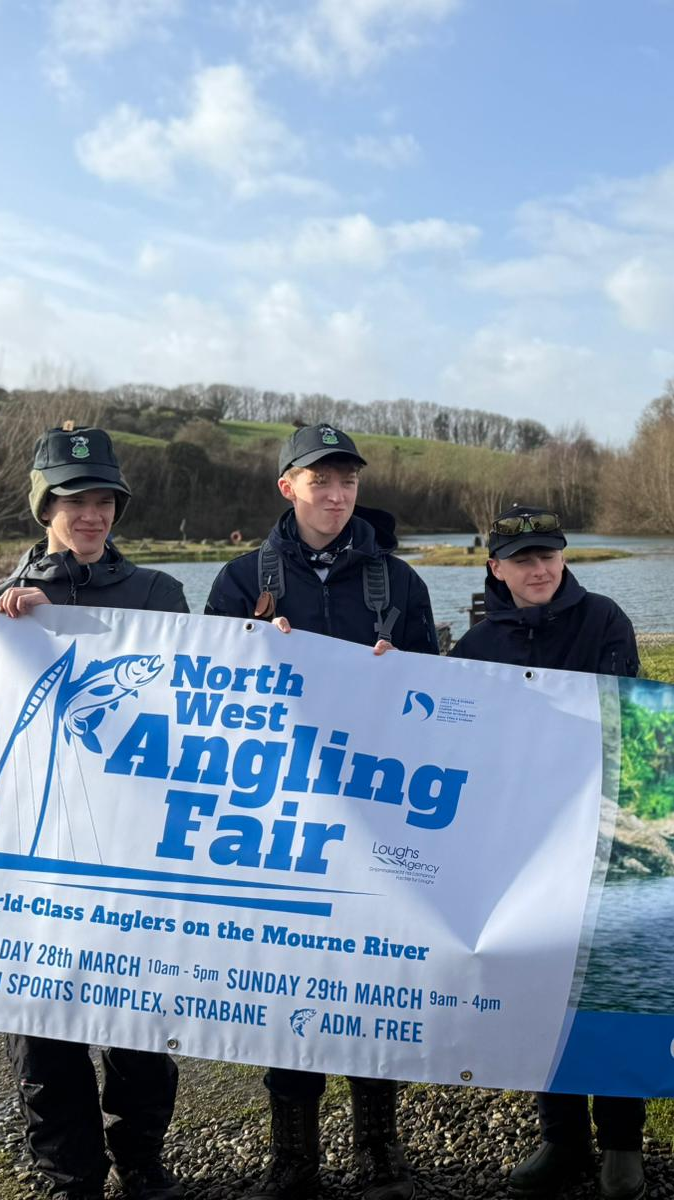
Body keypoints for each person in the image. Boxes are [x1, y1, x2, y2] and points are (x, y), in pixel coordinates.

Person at [0, 424, 188, 1200]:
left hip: (137, 857)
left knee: (142, 1024)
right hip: (38, 860)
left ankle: (141, 1158)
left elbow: (201, 719)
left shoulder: (162, 599)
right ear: (45, 506)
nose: (92, 513)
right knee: (43, 1031)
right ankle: (69, 1175)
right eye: (75, 499)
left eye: (104, 498)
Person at [206, 423, 437, 1200]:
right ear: (287, 487)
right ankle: (294, 1160)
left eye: (347, 482)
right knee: (292, 984)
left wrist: (401, 677)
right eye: (319, 481)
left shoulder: (399, 585)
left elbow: (434, 705)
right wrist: (254, 656)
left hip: (378, 816)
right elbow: (208, 695)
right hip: (280, 819)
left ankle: (379, 1152)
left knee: (374, 985)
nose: (336, 496)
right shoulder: (242, 580)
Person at [447, 505, 644, 1199]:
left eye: (549, 554)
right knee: (539, 991)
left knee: (608, 990)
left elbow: (630, 713)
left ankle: (623, 1144)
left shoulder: (606, 621)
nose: (538, 568)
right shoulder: (472, 650)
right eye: (522, 557)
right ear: (495, 568)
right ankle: (562, 1140)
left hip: (601, 831)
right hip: (519, 845)